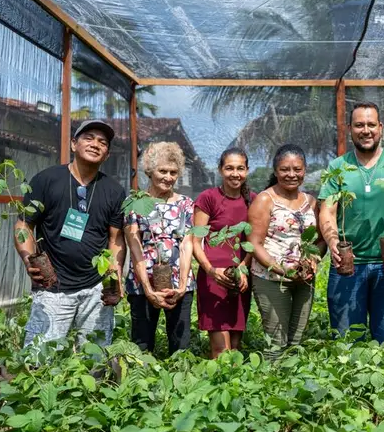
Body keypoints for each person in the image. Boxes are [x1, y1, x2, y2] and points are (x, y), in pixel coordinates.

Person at [318, 101, 384, 348]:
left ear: (381, 127)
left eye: (370, 124)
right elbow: (327, 211)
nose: (365, 130)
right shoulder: (338, 167)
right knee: (346, 343)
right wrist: (333, 240)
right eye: (359, 125)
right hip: (347, 266)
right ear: (349, 129)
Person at [15, 120, 126, 347]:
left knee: (95, 357)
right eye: (89, 138)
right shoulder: (47, 180)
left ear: (107, 154)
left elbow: (116, 238)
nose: (95, 144)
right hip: (52, 287)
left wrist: (114, 275)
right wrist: (28, 259)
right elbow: (23, 226)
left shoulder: (114, 190)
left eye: (102, 142)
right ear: (74, 144)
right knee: (39, 358)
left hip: (96, 289)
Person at [248, 145, 325, 359]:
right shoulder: (265, 200)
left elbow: (320, 241)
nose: (291, 174)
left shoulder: (311, 202)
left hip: (304, 278)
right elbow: (254, 243)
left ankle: (292, 387)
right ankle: (270, 385)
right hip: (271, 278)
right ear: (275, 171)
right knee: (276, 342)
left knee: (296, 341)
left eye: (297, 169)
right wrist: (282, 270)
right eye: (284, 169)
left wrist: (311, 262)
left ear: (305, 170)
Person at [124, 142, 195, 356]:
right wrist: (147, 289)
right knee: (142, 344)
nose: (168, 177)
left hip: (178, 281)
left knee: (180, 345)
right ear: (150, 171)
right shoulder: (134, 202)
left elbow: (186, 244)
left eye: (173, 172)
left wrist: (182, 286)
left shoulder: (186, 204)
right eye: (162, 171)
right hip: (143, 281)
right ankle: (140, 386)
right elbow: (134, 247)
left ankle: (180, 386)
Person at [193, 147, 255, 357]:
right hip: (214, 279)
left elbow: (254, 241)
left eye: (240, 168)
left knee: (236, 347)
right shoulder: (208, 198)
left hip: (241, 278)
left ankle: (236, 388)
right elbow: (195, 241)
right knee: (221, 348)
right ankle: (219, 386)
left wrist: (244, 267)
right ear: (220, 170)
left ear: (247, 171)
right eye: (229, 168)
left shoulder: (253, 200)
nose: (235, 173)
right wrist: (211, 271)